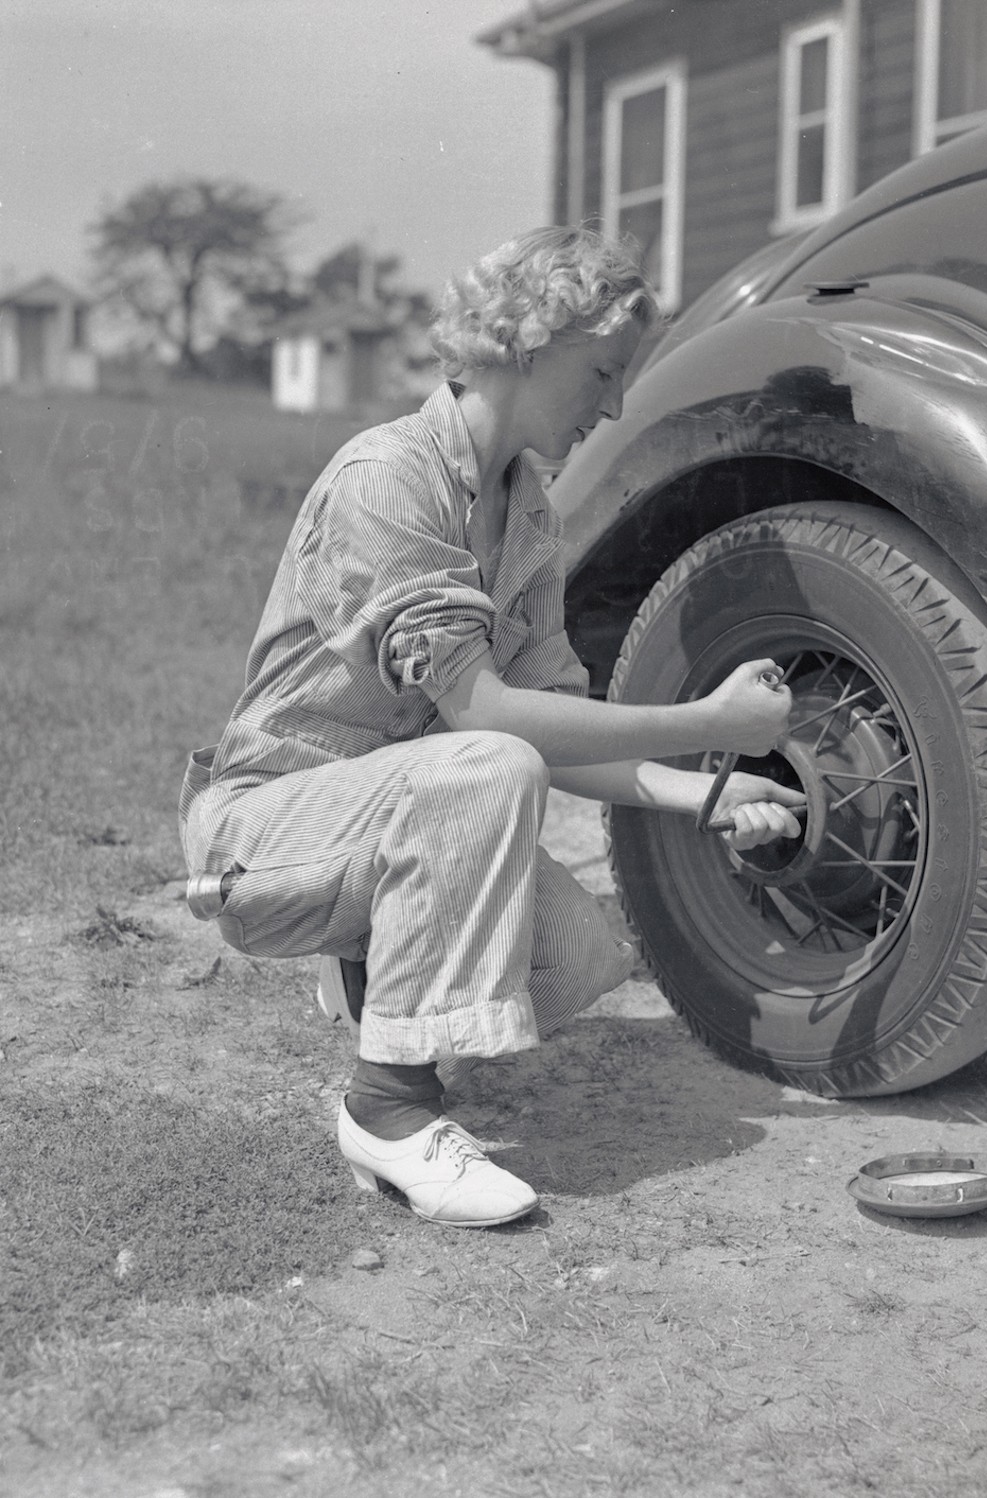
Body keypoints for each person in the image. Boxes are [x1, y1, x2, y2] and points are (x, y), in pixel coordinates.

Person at [178, 227, 805, 1229]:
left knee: (577, 954)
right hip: (265, 833)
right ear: (526, 342)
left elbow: (559, 724)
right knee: (491, 762)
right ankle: (387, 1111)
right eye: (602, 371)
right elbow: (483, 715)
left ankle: (377, 969)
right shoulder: (389, 478)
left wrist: (707, 787)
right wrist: (710, 717)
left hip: (392, 818)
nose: (610, 405)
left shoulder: (530, 517)